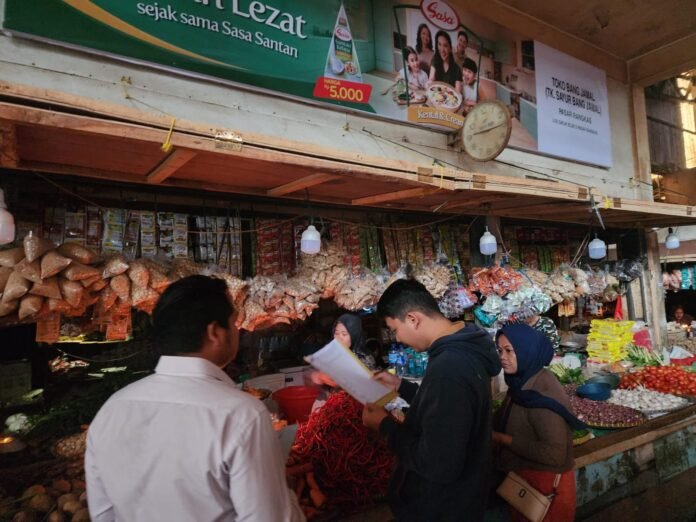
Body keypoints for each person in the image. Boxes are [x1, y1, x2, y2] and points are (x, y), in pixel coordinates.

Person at [85, 276, 304, 522]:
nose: (238, 331)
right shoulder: (242, 415)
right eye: (234, 322)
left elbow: (103, 515)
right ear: (214, 333)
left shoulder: (111, 410)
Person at [362, 279, 501, 521]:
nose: (398, 338)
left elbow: (438, 464)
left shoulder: (449, 366)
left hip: (443, 508)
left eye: (395, 329)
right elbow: (450, 412)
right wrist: (401, 386)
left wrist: (384, 426)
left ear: (413, 319)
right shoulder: (462, 349)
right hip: (463, 497)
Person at [492, 324, 585, 522]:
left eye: (509, 350)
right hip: (525, 485)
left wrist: (503, 439)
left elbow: (555, 455)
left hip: (546, 493)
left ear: (526, 350)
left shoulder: (541, 394)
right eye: (500, 351)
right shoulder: (520, 384)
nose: (502, 357)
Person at [428, 30, 462, 94]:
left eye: (445, 45)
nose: (442, 50)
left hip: (450, 98)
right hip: (436, 96)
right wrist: (429, 83)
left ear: (450, 49)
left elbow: (458, 93)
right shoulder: (435, 59)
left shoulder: (457, 69)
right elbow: (431, 78)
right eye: (439, 44)